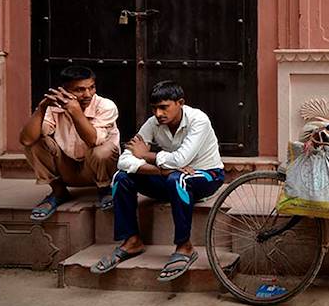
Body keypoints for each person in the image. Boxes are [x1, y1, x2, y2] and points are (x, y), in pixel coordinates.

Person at [91, 80, 224, 282]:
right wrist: (159, 171)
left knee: (178, 178)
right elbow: (125, 159)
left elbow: (180, 160)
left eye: (164, 107)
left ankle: (185, 246)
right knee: (122, 177)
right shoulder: (154, 123)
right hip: (169, 177)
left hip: (206, 176)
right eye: (154, 108)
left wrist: (148, 155)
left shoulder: (199, 120)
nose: (158, 113)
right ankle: (132, 240)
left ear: (180, 103)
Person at [19, 66, 120, 221]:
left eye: (91, 87)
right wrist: (42, 108)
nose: (88, 94)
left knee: (103, 150)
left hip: (95, 169)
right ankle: (58, 192)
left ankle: (105, 190)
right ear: (64, 91)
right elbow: (26, 140)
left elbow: (93, 141)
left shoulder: (105, 106)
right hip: (67, 169)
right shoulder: (54, 107)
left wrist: (75, 111)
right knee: (35, 141)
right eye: (79, 90)